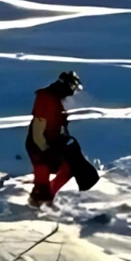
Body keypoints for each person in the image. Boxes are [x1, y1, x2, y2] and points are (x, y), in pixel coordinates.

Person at [26, 71, 83, 208]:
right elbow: (38, 128)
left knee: (71, 166)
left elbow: (60, 125)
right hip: (39, 145)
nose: (73, 90)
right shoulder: (46, 98)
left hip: (52, 143)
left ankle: (46, 198)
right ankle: (39, 202)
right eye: (72, 86)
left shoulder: (59, 99)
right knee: (42, 178)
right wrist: (44, 149)